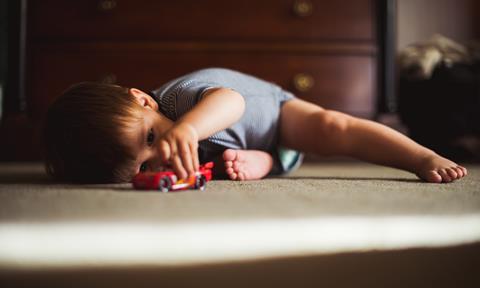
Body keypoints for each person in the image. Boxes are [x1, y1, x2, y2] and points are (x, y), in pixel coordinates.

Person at [44, 68, 467, 184]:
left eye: (151, 138)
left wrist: (187, 129)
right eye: (141, 167)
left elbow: (231, 102)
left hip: (277, 116)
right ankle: (267, 163)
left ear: (143, 99)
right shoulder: (165, 153)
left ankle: (420, 154)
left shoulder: (179, 98)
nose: (161, 157)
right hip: (252, 148)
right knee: (231, 166)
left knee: (335, 128)